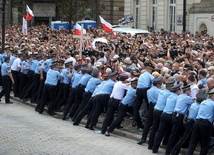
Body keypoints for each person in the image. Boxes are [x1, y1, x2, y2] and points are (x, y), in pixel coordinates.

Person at [152, 84, 181, 153]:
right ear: (177, 91)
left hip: (164, 114)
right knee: (171, 133)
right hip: (170, 115)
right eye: (180, 90)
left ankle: (155, 148)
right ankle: (168, 151)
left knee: (160, 132)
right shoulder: (177, 98)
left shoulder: (170, 96)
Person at [165, 84, 193, 155]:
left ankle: (171, 151)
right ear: (186, 91)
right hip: (179, 117)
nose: (190, 91)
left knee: (175, 134)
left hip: (175, 115)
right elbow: (193, 104)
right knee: (174, 134)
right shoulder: (187, 98)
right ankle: (169, 151)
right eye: (189, 90)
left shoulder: (180, 96)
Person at [147, 80, 174, 150]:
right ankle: (158, 146)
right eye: (172, 86)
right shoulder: (169, 94)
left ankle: (150, 144)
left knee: (154, 128)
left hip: (156, 110)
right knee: (160, 130)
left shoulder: (161, 92)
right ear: (170, 87)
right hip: (161, 111)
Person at [187, 90, 214, 155]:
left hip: (197, 122)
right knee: (204, 144)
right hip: (205, 124)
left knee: (193, 142)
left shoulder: (203, 102)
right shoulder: (213, 104)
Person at [138, 76, 163, 145]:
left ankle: (143, 138)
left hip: (150, 107)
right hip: (156, 107)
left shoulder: (148, 91)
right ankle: (151, 141)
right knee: (155, 124)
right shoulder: (160, 92)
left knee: (147, 124)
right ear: (158, 84)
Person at [133, 63, 154, 130]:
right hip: (145, 90)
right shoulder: (150, 76)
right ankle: (149, 124)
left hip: (139, 90)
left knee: (136, 107)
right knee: (149, 107)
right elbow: (153, 85)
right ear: (150, 70)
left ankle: (137, 123)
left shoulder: (141, 75)